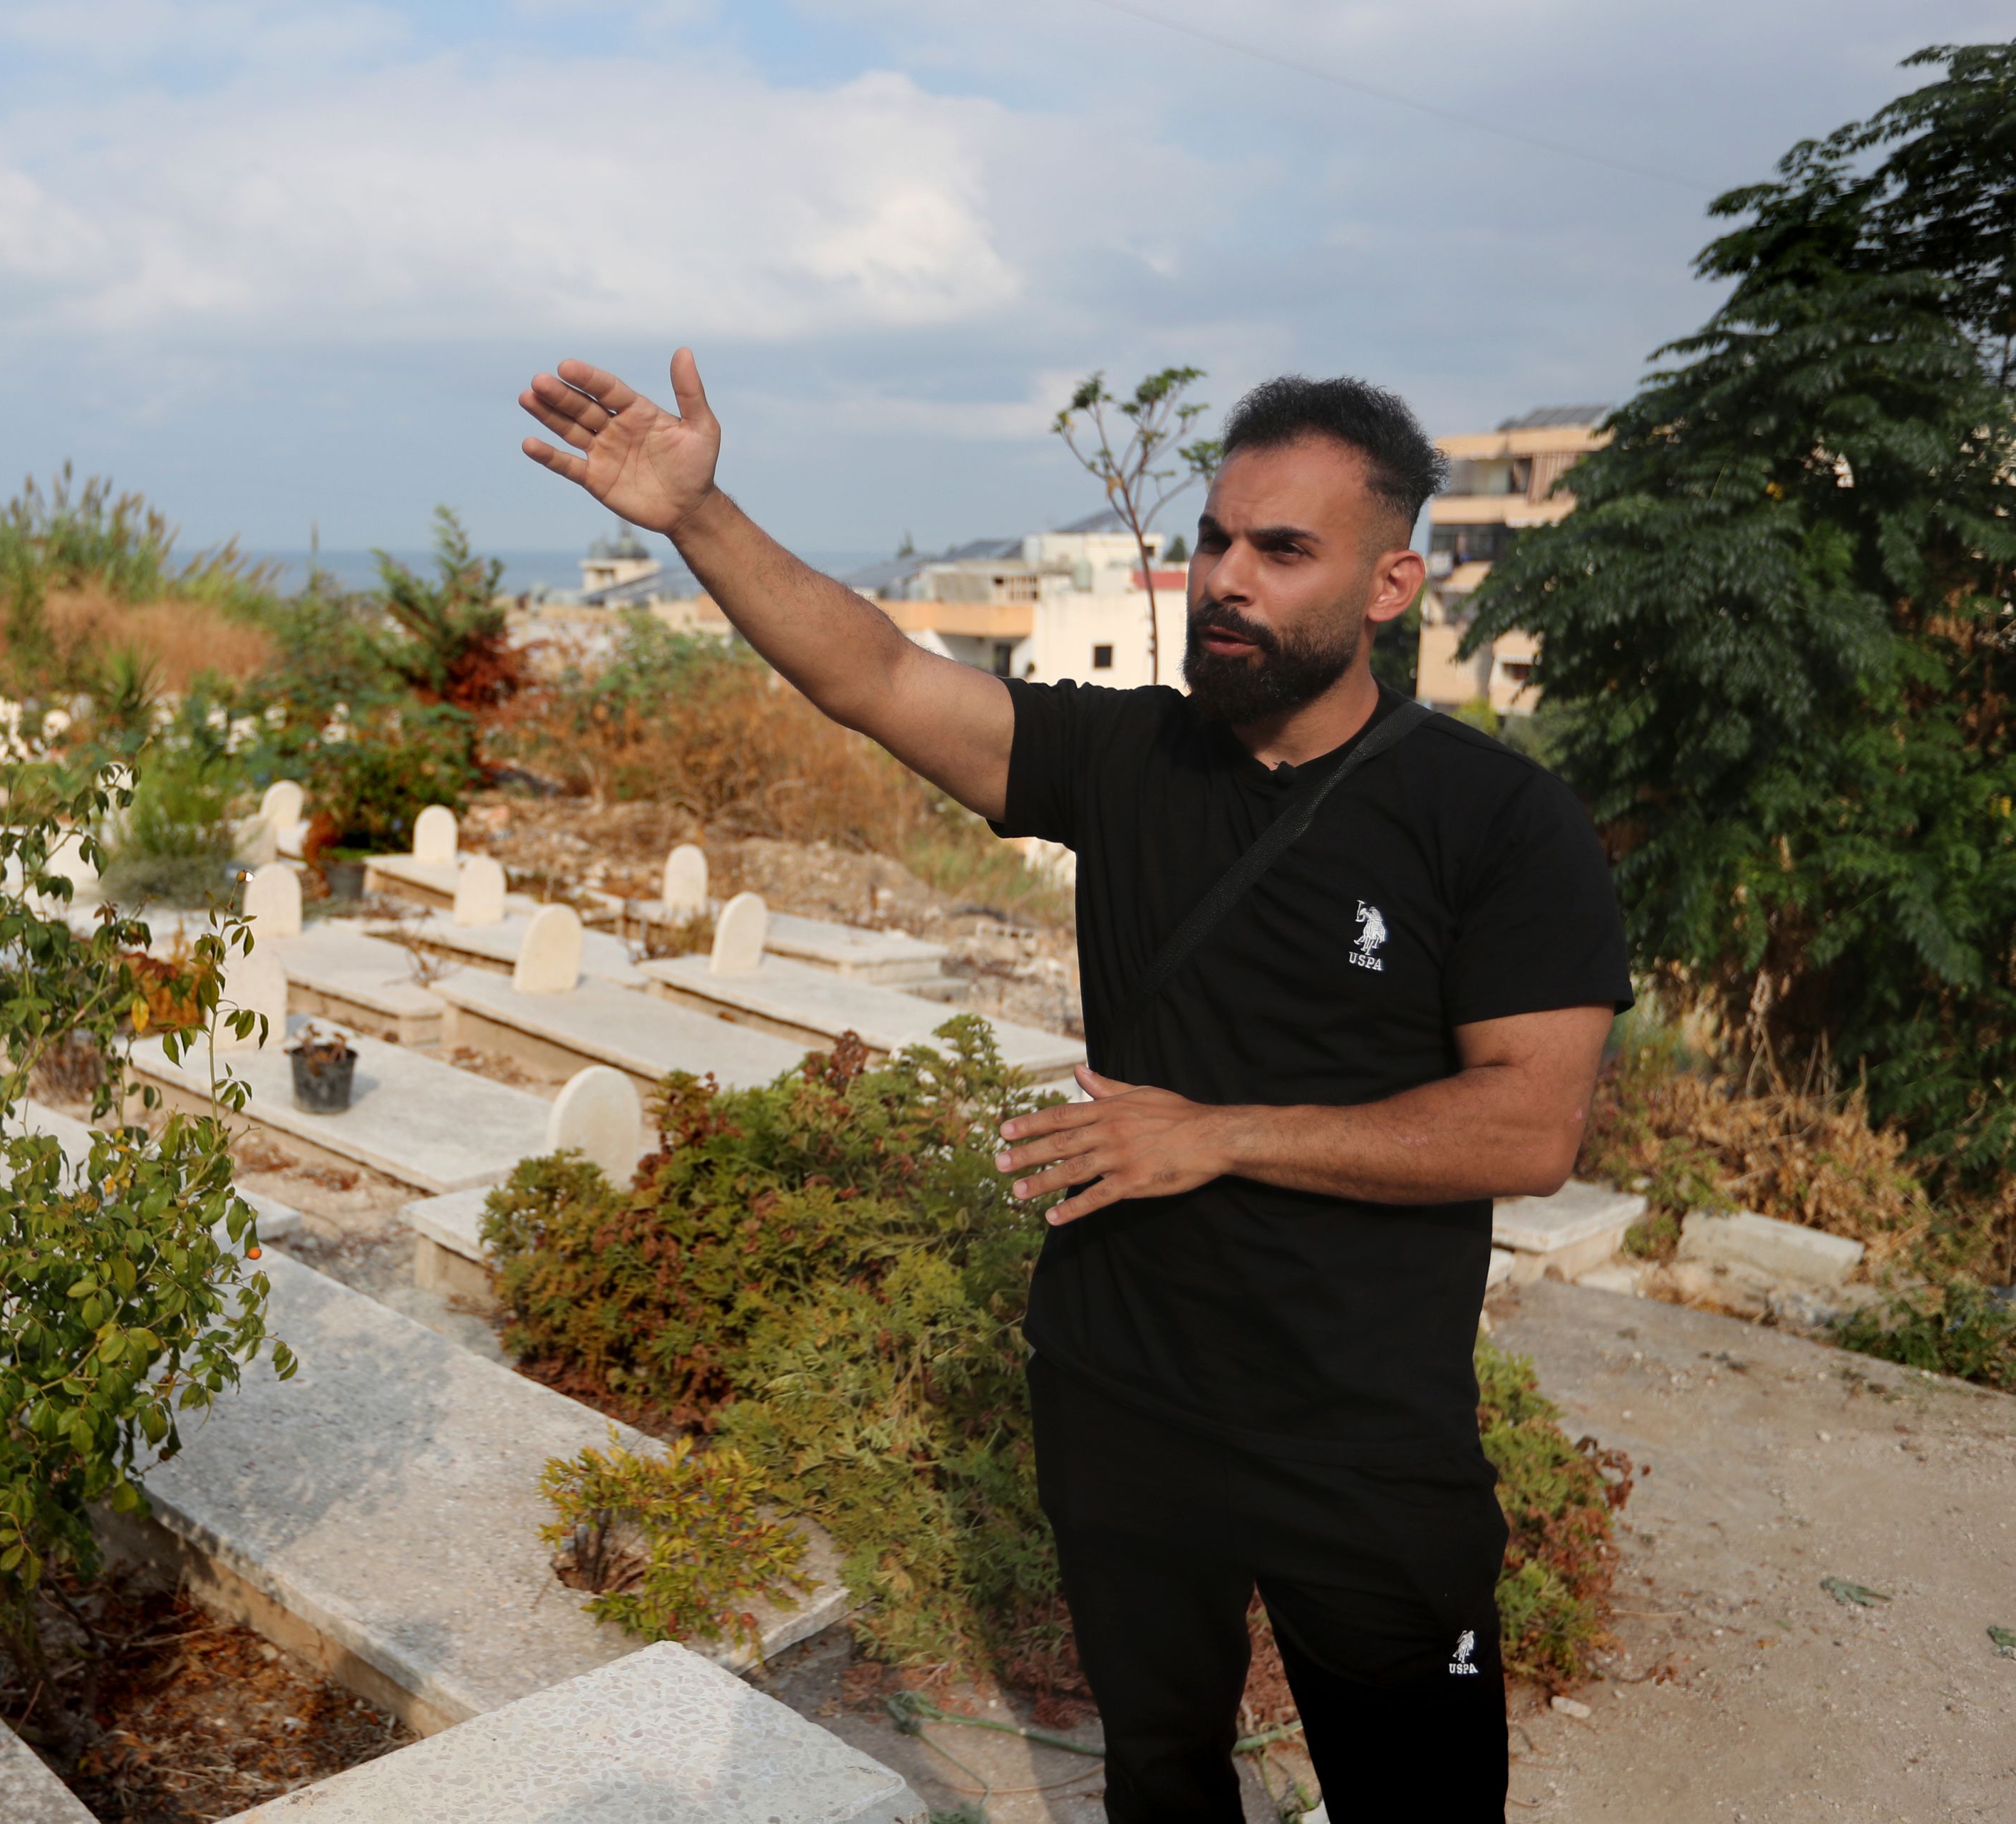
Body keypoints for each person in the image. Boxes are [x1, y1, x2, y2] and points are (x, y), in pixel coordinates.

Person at [518, 352, 1632, 1823]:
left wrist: (1213, 1134)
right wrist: (698, 513)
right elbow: (879, 674)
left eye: (1283, 550)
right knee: (1161, 1772)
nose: (1229, 578)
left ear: (1391, 586)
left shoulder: (1495, 819)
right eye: (1215, 539)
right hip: (1123, 1391)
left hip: (1358, 1431)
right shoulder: (1128, 757)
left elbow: (1531, 1121)